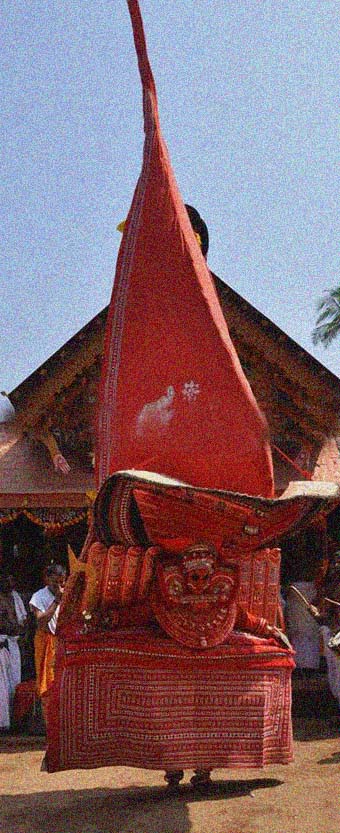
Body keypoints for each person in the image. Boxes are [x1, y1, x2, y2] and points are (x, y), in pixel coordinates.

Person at [29, 564, 66, 715]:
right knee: (47, 683)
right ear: (47, 579)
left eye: (62, 582)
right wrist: (56, 601)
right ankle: (47, 718)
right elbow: (41, 621)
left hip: (61, 642)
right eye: (55, 582)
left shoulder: (68, 593)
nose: (59, 586)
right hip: (45, 641)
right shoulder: (38, 597)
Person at [0, 570, 28, 729]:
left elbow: (22, 621)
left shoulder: (15, 597)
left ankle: (14, 720)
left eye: (12, 580)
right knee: (2, 686)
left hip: (13, 643)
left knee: (14, 682)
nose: (10, 583)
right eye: (6, 580)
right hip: (2, 644)